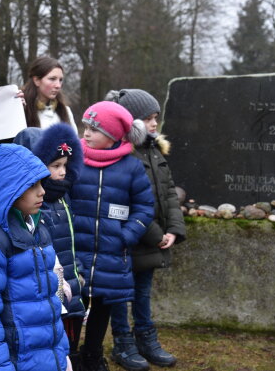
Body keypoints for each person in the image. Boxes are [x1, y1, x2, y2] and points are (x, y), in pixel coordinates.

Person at [0, 143, 70, 371]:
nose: (42, 191)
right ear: (9, 189)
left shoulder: (38, 229)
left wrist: (62, 354)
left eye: (41, 183)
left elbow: (51, 303)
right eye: (32, 185)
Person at [69, 101, 154, 371]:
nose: (86, 133)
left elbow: (144, 206)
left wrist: (127, 235)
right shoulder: (74, 160)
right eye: (85, 127)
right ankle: (68, 355)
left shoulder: (132, 168)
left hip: (112, 251)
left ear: (114, 135)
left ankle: (93, 353)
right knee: (71, 304)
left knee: (104, 303)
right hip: (76, 250)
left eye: (94, 128)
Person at [105, 89, 186, 371]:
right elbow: (126, 202)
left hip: (152, 240)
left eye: (156, 118)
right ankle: (123, 343)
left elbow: (169, 195)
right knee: (119, 295)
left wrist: (173, 229)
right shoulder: (121, 155)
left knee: (142, 292)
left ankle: (146, 339)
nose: (154, 124)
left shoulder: (154, 151)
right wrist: (155, 233)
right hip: (129, 239)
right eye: (148, 119)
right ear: (131, 122)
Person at [31, 123, 86, 370]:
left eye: (65, 165)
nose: (62, 172)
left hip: (72, 285)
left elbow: (72, 239)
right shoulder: (36, 203)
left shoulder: (64, 196)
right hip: (51, 288)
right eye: (55, 166)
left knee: (70, 343)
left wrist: (79, 271)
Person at [21, 56, 78, 134]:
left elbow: (74, 144)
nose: (58, 85)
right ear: (37, 80)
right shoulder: (21, 109)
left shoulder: (65, 111)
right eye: (52, 79)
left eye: (60, 80)